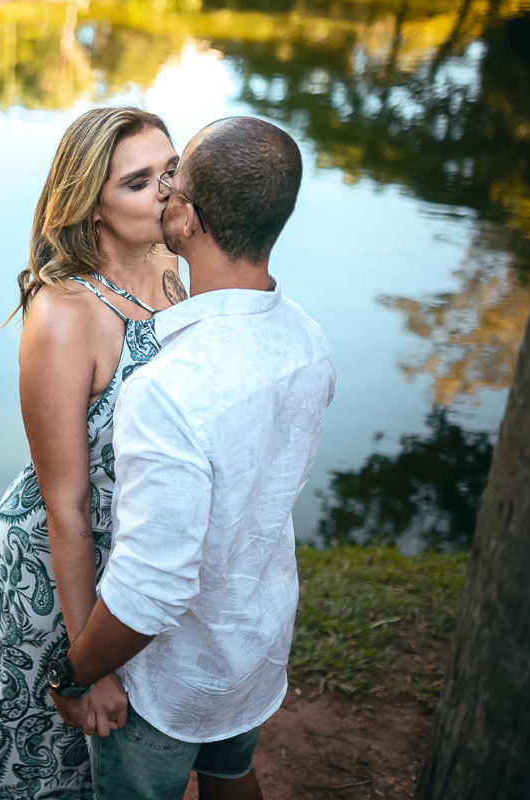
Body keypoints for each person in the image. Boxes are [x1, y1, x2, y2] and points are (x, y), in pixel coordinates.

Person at [46, 116, 336, 800]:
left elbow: (150, 592)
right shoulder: (308, 339)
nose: (163, 193)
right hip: (254, 638)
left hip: (169, 677)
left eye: (173, 181)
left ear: (187, 219)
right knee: (232, 773)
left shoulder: (171, 389)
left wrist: (76, 674)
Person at [0, 107, 187, 799]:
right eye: (138, 182)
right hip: (60, 566)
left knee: (119, 757)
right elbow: (66, 506)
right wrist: (86, 667)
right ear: (92, 205)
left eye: (171, 170)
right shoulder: (65, 313)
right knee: (39, 758)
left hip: (138, 552)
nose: (167, 191)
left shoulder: (171, 264)